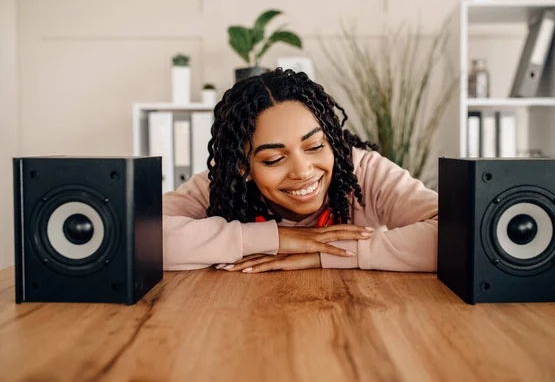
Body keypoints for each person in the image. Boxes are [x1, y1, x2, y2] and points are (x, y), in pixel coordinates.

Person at [162, 68, 438, 274]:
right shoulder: (222, 186)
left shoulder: (363, 172)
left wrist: (328, 255)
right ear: (243, 167)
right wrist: (278, 239)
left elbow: (459, 235)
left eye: (315, 146)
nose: (303, 171)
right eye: (273, 159)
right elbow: (139, 236)